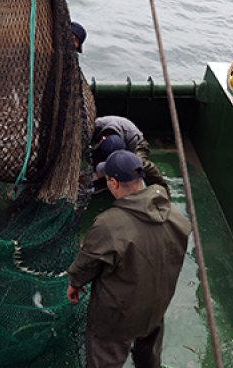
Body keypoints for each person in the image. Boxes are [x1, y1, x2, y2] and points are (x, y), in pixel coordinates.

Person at [67, 150, 190, 368]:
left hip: (117, 318)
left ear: (113, 182)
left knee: (105, 357)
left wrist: (74, 283)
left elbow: (87, 263)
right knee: (149, 356)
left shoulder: (108, 224)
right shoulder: (173, 214)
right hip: (156, 308)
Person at [91, 116, 167, 192]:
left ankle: (161, 189)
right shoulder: (95, 126)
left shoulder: (133, 139)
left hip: (135, 143)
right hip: (105, 141)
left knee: (140, 164)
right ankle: (101, 183)